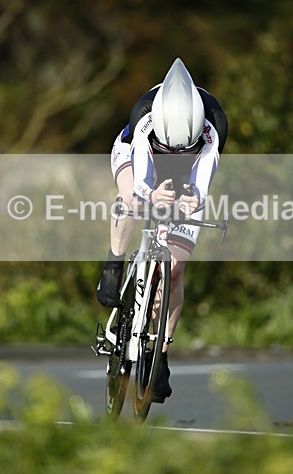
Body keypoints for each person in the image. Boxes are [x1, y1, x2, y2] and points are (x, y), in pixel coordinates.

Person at [96, 57, 228, 402]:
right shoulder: (144, 115)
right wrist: (151, 195)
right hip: (139, 159)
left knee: (176, 268)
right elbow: (141, 184)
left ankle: (162, 353)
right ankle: (114, 262)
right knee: (131, 198)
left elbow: (202, 184)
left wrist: (192, 201)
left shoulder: (214, 126)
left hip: (187, 172)